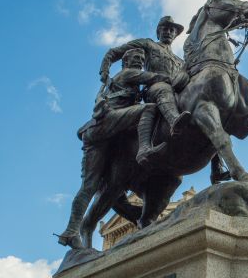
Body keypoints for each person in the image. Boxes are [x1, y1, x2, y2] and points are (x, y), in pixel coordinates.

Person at [57, 48, 171, 248]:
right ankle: (144, 147)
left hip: (100, 132)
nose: (139, 61)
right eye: (135, 58)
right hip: (104, 124)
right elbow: (158, 77)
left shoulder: (121, 81)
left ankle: (71, 230)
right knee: (148, 109)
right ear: (125, 62)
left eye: (141, 59)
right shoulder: (127, 73)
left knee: (90, 186)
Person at [98, 16, 192, 166]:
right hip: (154, 89)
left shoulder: (179, 60)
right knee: (163, 88)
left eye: (172, 30)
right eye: (165, 29)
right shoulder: (148, 44)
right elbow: (114, 52)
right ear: (158, 32)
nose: (168, 32)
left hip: (176, 90)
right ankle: (174, 120)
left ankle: (217, 164)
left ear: (175, 34)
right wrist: (104, 70)